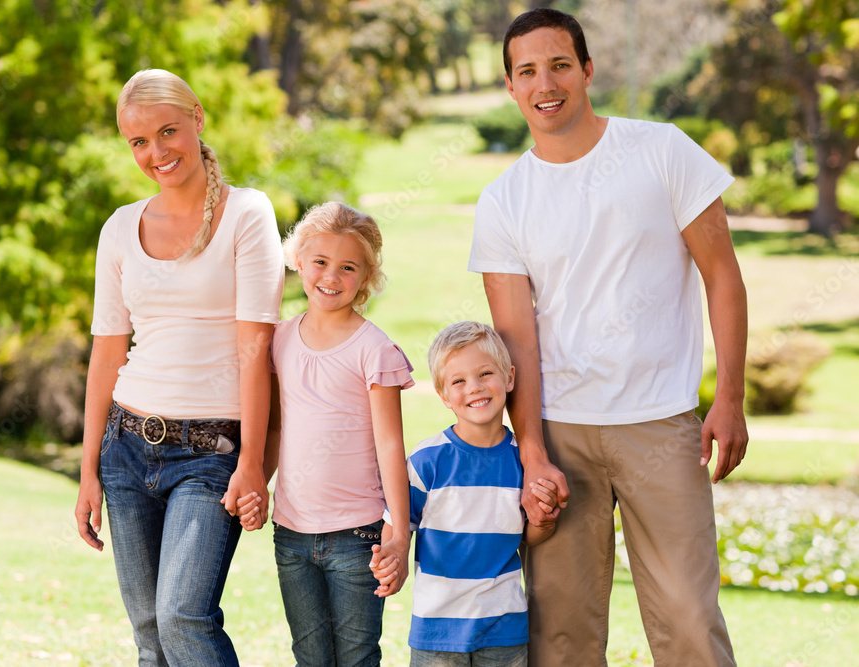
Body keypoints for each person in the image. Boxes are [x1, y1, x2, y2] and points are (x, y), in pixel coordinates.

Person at [468, 8, 749, 666]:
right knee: (561, 634)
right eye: (528, 70)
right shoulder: (503, 201)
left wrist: (730, 396)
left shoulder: (663, 151)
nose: (547, 82)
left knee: (688, 619)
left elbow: (724, 277)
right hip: (562, 432)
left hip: (662, 424)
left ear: (588, 70)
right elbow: (517, 342)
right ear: (511, 86)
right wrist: (533, 453)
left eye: (560, 64)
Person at [73, 68, 284, 666]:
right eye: (138, 142)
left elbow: (256, 349)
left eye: (168, 132)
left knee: (183, 618)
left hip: (211, 452)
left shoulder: (248, 213)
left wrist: (252, 464)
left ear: (197, 117)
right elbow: (107, 354)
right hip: (126, 445)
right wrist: (87, 470)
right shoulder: (119, 227)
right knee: (148, 632)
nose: (156, 153)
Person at [238, 201, 414, 666]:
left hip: (359, 536)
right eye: (320, 262)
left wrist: (399, 533)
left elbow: (391, 446)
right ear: (298, 260)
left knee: (357, 657)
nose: (330, 277)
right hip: (291, 534)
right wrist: (258, 478)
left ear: (367, 276)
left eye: (347, 267)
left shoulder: (374, 350)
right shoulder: (278, 339)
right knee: (310, 656)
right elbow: (275, 426)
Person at [370, 321, 557, 666]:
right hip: (437, 631)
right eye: (458, 381)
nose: (474, 388)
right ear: (443, 395)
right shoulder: (428, 461)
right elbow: (399, 523)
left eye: (485, 374)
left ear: (510, 378)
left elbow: (525, 536)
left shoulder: (522, 463)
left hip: (503, 627)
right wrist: (394, 557)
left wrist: (543, 523)